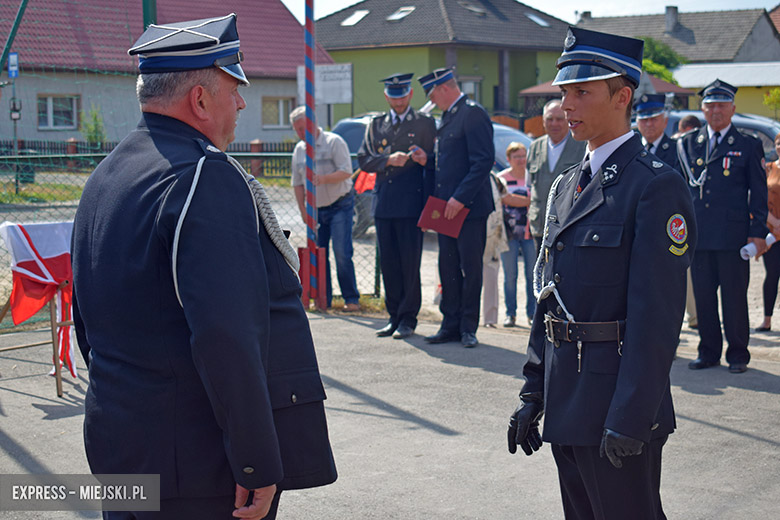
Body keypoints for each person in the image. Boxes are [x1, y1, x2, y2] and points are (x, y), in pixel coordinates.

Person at [71, 15, 337, 520]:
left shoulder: (107, 173)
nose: (240, 102)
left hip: (120, 446)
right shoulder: (205, 176)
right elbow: (228, 338)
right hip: (195, 467)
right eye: (233, 88)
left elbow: (89, 320)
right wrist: (257, 463)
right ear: (198, 99)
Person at [507, 26, 696, 519]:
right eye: (565, 92)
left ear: (623, 96)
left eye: (583, 92)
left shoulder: (654, 187)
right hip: (568, 397)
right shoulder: (568, 184)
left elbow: (656, 320)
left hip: (617, 404)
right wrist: (534, 391)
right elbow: (550, 297)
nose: (568, 104)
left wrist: (632, 416)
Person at [678, 79, 769, 374]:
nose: (716, 111)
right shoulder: (689, 143)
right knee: (704, 300)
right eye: (710, 105)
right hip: (699, 236)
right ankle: (709, 352)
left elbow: (758, 192)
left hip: (733, 238)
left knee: (734, 300)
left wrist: (756, 233)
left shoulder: (748, 144)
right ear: (703, 109)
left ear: (732, 108)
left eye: (721, 105)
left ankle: (738, 354)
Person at [411, 68, 494, 348]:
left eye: (432, 95)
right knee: (447, 267)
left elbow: (483, 161)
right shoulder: (448, 116)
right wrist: (429, 158)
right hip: (446, 207)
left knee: (470, 269)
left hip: (468, 208)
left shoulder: (473, 113)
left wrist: (460, 198)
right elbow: (451, 160)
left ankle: (468, 327)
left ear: (444, 88)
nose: (432, 101)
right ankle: (450, 325)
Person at [358, 73, 436, 339]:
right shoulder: (376, 123)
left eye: (402, 95)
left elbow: (434, 160)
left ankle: (408, 319)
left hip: (412, 203)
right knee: (389, 265)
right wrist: (389, 160)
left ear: (410, 95)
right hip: (384, 204)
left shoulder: (424, 123)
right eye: (393, 96)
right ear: (386, 97)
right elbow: (364, 159)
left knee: (409, 264)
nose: (398, 101)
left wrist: (425, 159)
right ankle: (393, 316)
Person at [290, 106, 360, 311]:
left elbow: (347, 171)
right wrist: (303, 211)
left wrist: (324, 179)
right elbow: (297, 183)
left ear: (313, 124)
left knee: (341, 252)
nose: (301, 134)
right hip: (316, 209)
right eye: (297, 130)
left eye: (303, 128)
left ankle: (351, 299)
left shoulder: (334, 142)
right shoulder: (299, 150)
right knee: (318, 254)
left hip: (340, 204)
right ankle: (323, 300)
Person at [527, 99, 586, 253]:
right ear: (543, 121)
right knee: (539, 273)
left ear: (567, 119)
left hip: (567, 225)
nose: (554, 124)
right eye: (549, 119)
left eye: (559, 119)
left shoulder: (582, 146)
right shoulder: (534, 147)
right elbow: (530, 186)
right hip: (539, 226)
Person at [497, 142, 536, 327]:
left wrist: (519, 201)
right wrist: (530, 201)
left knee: (532, 275)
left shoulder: (533, 176)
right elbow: (505, 198)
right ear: (509, 159)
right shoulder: (501, 178)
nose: (521, 160)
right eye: (516, 156)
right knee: (510, 276)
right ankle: (510, 314)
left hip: (530, 233)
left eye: (523, 155)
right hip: (508, 234)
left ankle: (532, 314)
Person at [756, 131, 780, 332]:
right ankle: (767, 319)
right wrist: (773, 222)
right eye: (779, 143)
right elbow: (759, 198)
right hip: (772, 232)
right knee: (771, 275)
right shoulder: (769, 169)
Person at [482, 172, 509, 328]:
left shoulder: (496, 179)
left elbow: (506, 197)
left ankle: (490, 319)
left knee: (491, 276)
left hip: (493, 234)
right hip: (470, 230)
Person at [634, 94, 680, 174]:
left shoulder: (677, 150)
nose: (649, 124)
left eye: (654, 119)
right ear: (637, 123)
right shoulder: (632, 149)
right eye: (644, 120)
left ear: (665, 121)